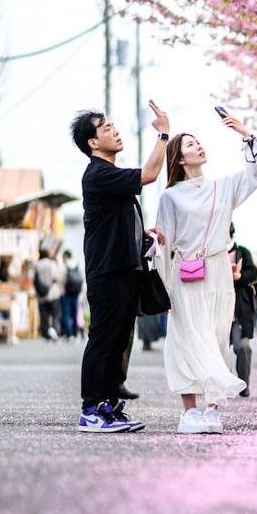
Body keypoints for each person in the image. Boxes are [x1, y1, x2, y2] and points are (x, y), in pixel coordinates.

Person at [156, 110, 257, 434]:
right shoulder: (170, 197)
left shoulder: (224, 187)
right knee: (184, 339)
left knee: (217, 338)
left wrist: (245, 133)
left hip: (218, 273)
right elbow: (164, 245)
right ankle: (189, 412)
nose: (199, 147)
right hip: (184, 275)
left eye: (199, 142)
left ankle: (213, 409)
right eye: (191, 144)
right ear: (179, 159)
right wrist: (162, 290)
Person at [70, 101, 170, 433]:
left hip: (125, 270)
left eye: (113, 125)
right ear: (93, 143)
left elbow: (117, 220)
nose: (114, 129)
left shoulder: (109, 177)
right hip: (107, 272)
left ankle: (109, 406)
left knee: (117, 341)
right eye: (106, 128)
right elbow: (150, 175)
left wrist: (143, 235)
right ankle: (91, 409)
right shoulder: (99, 173)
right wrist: (164, 135)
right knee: (103, 338)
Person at [229, 222, 257, 397]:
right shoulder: (210, 254)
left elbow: (254, 273)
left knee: (243, 347)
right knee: (214, 351)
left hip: (239, 312)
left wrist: (239, 276)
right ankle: (219, 385)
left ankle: (243, 383)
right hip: (216, 312)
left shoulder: (242, 252)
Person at [33, 249, 64, 341]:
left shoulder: (37, 265)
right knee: (55, 314)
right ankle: (55, 331)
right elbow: (58, 277)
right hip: (53, 293)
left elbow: (34, 279)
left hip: (41, 295)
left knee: (44, 315)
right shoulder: (52, 264)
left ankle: (45, 334)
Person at [61, 250, 84, 341]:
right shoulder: (77, 265)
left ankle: (69, 334)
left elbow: (62, 279)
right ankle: (75, 333)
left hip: (67, 292)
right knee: (75, 313)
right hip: (76, 292)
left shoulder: (65, 266)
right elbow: (81, 278)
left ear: (66, 256)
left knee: (66, 313)